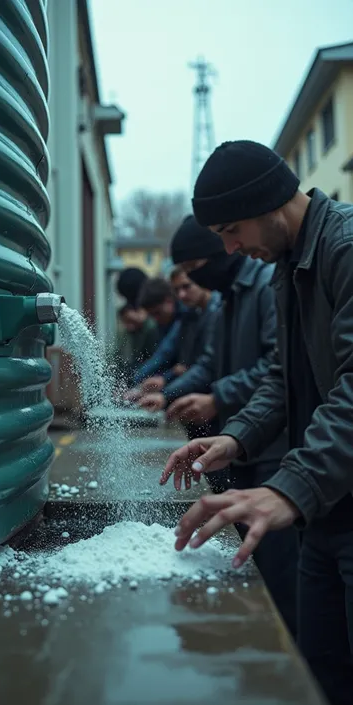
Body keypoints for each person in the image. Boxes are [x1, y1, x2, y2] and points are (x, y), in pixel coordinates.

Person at [161, 140, 353, 705]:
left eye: (230, 230)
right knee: (316, 671)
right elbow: (282, 377)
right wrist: (235, 436)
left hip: (329, 494)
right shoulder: (286, 264)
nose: (231, 248)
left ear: (269, 203)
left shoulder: (344, 248)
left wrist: (287, 489)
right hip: (326, 511)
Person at [140, 216, 298, 635]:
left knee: (279, 570)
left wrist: (219, 398)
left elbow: (276, 367)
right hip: (243, 437)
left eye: (192, 271)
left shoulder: (265, 286)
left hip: (275, 447)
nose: (191, 281)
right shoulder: (229, 296)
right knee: (251, 559)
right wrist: (174, 392)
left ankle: (279, 652)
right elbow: (210, 363)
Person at [131, 265, 221, 394]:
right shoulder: (190, 314)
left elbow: (200, 364)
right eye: (177, 290)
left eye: (186, 286)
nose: (181, 295)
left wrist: (165, 388)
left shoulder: (208, 312)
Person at [110, 303, 159, 387]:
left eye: (129, 320)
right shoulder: (134, 332)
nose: (129, 326)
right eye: (125, 322)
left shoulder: (151, 327)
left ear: (140, 312)